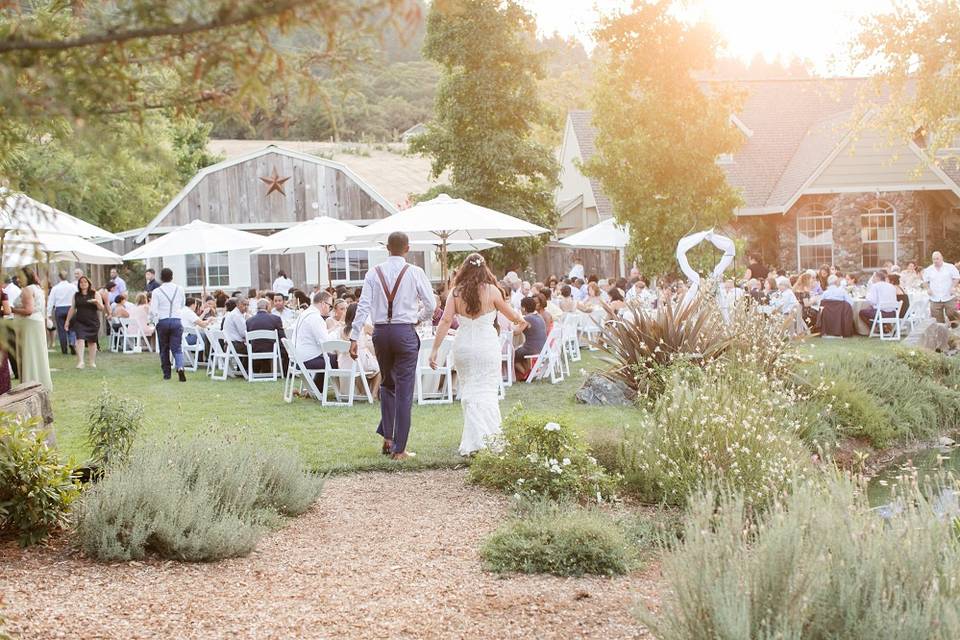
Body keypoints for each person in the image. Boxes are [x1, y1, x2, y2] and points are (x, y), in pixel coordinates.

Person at [350, 231, 435, 461]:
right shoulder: (415, 272)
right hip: (404, 332)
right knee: (404, 391)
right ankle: (400, 450)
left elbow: (363, 306)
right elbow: (432, 304)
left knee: (388, 385)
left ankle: (388, 439)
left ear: (387, 248)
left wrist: (354, 337)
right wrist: (418, 318)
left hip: (380, 333)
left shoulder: (373, 273)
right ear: (407, 248)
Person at [432, 253, 527, 457]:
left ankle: (475, 440)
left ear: (465, 269)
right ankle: (490, 438)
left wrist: (434, 349)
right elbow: (512, 316)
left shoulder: (455, 293)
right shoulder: (492, 291)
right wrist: (522, 320)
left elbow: (445, 321)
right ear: (485, 270)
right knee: (486, 390)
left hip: (464, 346)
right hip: (486, 345)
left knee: (469, 390)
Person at [9, 268, 51, 389]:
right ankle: (40, 381)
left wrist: (12, 309)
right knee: (36, 353)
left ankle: (29, 382)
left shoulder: (28, 289)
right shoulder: (38, 288)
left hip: (29, 325)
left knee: (30, 353)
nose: (17, 279)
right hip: (36, 323)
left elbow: (28, 310)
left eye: (19, 277)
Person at [149, 267, 186, 382]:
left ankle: (167, 374)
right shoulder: (180, 289)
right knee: (177, 348)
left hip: (163, 321)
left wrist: (152, 320)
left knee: (164, 348)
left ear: (161, 278)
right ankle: (180, 367)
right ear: (172, 277)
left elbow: (153, 309)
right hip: (176, 320)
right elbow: (182, 304)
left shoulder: (157, 291)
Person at [292, 291, 334, 389]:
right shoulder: (315, 317)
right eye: (330, 306)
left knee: (329, 358)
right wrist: (336, 332)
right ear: (323, 304)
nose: (330, 309)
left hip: (299, 358)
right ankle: (341, 391)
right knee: (337, 359)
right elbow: (326, 344)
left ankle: (316, 388)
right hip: (307, 359)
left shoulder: (305, 313)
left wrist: (331, 330)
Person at [65, 275, 103, 369]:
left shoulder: (95, 293)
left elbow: (101, 308)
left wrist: (96, 302)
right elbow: (72, 308)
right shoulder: (76, 295)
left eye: (85, 282)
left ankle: (92, 362)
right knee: (79, 340)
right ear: (79, 284)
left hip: (92, 321)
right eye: (81, 282)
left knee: (92, 341)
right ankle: (81, 361)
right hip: (80, 321)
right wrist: (67, 321)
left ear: (89, 283)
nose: (83, 284)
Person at [246, 298, 287, 374]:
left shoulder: (249, 321)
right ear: (267, 307)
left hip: (254, 349)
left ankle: (258, 370)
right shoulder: (276, 319)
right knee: (286, 349)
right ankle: (285, 372)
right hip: (272, 349)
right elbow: (282, 337)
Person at [514, 296, 547, 381]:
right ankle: (528, 371)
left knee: (513, 354)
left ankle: (525, 373)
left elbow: (516, 332)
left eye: (521, 307)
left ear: (524, 308)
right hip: (543, 348)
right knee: (521, 351)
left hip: (532, 349)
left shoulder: (527, 318)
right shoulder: (539, 316)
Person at [923, 251, 960, 325]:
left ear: (942, 258)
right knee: (938, 321)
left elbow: (957, 277)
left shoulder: (950, 267)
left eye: (937, 259)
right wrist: (928, 289)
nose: (936, 261)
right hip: (935, 297)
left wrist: (953, 287)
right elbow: (925, 281)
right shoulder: (928, 269)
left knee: (952, 313)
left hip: (948, 296)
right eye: (934, 259)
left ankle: (955, 330)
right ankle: (941, 333)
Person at [47, 270, 76, 355]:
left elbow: (51, 301)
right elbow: (76, 297)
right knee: (72, 327)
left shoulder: (55, 288)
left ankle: (64, 349)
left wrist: (48, 314)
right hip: (71, 308)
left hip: (59, 309)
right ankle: (72, 342)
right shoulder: (73, 287)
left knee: (61, 330)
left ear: (59, 277)